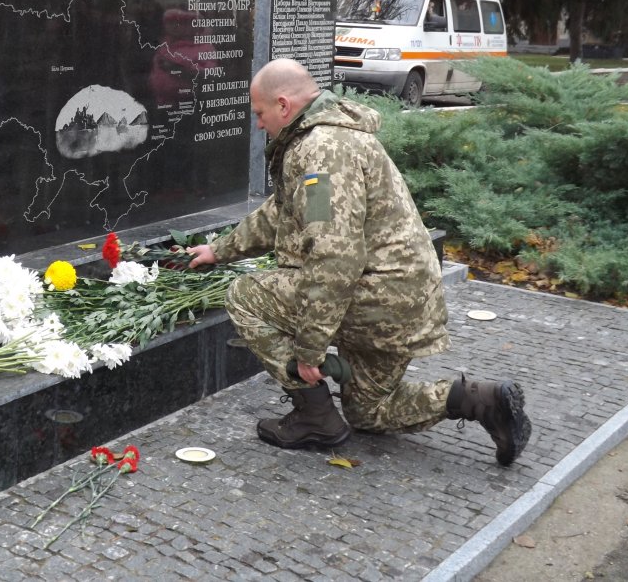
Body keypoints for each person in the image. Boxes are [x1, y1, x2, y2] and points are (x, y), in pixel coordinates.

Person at [187, 58, 531, 466]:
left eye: (259, 113)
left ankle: (314, 416)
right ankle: (481, 400)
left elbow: (336, 258)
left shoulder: (321, 151)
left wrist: (309, 351)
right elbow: (282, 213)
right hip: (403, 296)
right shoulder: (328, 137)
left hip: (374, 297)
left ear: (282, 105)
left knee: (244, 295)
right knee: (370, 412)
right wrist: (219, 250)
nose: (259, 125)